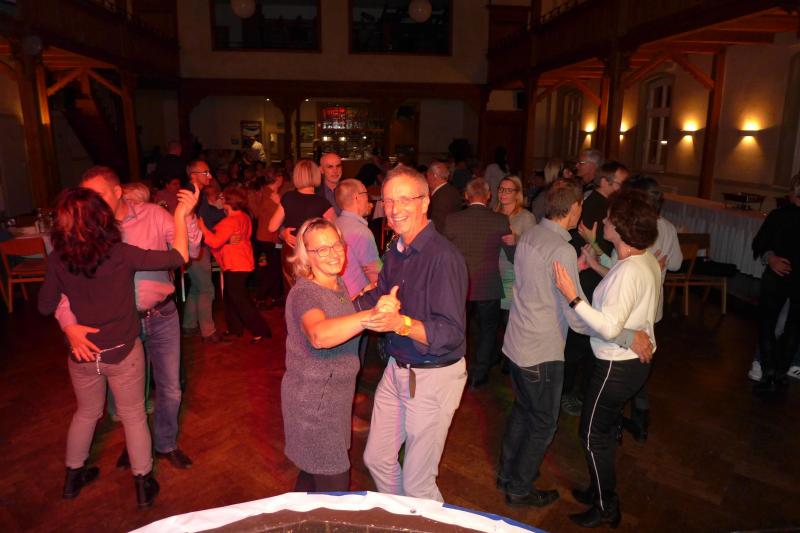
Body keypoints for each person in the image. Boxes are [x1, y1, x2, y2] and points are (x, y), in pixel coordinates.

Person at [39, 185, 196, 507]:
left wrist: (70, 327)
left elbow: (44, 305)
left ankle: (72, 478)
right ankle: (143, 484)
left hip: (82, 354)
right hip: (122, 352)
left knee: (86, 413)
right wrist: (181, 214)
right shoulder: (120, 253)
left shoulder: (57, 259)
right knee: (134, 415)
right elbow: (178, 257)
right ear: (101, 218)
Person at [498, 180, 652, 509]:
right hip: (541, 350)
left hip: (517, 342)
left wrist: (581, 267)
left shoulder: (532, 235)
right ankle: (520, 488)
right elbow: (577, 316)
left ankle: (507, 473)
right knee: (543, 423)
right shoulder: (562, 249)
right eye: (581, 205)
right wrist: (627, 336)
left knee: (523, 411)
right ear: (573, 208)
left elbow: (538, 283)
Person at [354, 166, 468, 502]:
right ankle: (404, 516)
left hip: (433, 376)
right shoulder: (396, 250)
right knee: (377, 459)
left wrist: (399, 324)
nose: (394, 209)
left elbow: (450, 334)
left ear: (425, 202)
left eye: (405, 199)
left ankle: (423, 519)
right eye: (389, 201)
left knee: (419, 484)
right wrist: (338, 305)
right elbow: (380, 295)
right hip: (397, 368)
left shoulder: (444, 257)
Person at [553, 189, 661, 528]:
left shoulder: (629, 271)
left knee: (591, 435)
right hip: (628, 365)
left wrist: (573, 297)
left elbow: (609, 326)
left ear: (621, 227)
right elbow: (622, 284)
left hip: (616, 365)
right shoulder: (641, 260)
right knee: (603, 429)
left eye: (610, 219)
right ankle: (598, 490)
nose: (604, 221)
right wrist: (598, 264)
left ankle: (605, 507)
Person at [282, 218, 399, 492]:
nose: (333, 253)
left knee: (312, 478)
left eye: (336, 245)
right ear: (306, 256)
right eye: (322, 249)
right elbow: (319, 334)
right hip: (315, 405)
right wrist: (370, 316)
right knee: (335, 487)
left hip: (333, 400)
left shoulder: (337, 284)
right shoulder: (305, 293)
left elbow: (339, 314)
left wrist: (366, 298)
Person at [580, 175, 682, 441]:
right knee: (639, 357)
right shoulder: (665, 230)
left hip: (628, 315)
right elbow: (675, 263)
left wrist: (572, 296)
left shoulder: (631, 239)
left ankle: (613, 425)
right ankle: (638, 418)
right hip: (649, 308)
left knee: (628, 360)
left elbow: (619, 276)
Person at [562, 160, 629, 417]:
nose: (622, 189)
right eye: (620, 184)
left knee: (579, 341)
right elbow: (595, 252)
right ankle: (570, 393)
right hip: (591, 281)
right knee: (580, 342)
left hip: (591, 278)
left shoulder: (595, 203)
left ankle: (572, 391)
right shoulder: (598, 209)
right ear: (604, 182)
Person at [445, 178, 510, 388]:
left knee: (457, 328)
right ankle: (479, 374)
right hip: (487, 284)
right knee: (488, 331)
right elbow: (510, 254)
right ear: (488, 195)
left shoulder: (452, 220)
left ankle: (454, 369)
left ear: (466, 196)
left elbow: (444, 254)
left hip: (459, 285)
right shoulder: (500, 220)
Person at [199, 186, 272, 343]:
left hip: (236, 264)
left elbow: (214, 241)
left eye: (222, 198)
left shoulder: (230, 221)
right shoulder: (244, 217)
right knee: (230, 298)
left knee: (240, 300)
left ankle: (261, 331)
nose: (220, 200)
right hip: (243, 261)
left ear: (228, 202)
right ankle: (235, 329)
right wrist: (226, 241)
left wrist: (202, 228)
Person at [752, 173, 800, 393]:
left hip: (777, 277)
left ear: (792, 193)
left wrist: (770, 258)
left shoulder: (778, 215)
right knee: (793, 328)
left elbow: (759, 243)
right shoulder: (778, 215)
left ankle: (768, 369)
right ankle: (780, 373)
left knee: (767, 324)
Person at [268, 159, 336, 290]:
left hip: (291, 250)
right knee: (312, 289)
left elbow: (272, 227)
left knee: (292, 289)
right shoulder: (322, 202)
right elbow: (335, 231)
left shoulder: (287, 197)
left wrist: (283, 233)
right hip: (312, 252)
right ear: (316, 175)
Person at [182, 160, 228, 343]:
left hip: (192, 246)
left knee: (197, 287)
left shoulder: (195, 192)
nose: (210, 176)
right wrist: (225, 210)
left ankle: (189, 325)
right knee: (207, 289)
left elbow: (206, 216)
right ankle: (208, 332)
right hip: (196, 247)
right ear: (193, 175)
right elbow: (205, 219)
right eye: (205, 173)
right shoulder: (192, 193)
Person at [493, 176, 536, 330]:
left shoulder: (526, 217)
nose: (503, 193)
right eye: (501, 189)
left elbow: (533, 247)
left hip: (513, 276)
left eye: (508, 190)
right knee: (492, 326)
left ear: (517, 194)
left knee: (509, 325)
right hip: (493, 276)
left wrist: (517, 239)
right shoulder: (493, 214)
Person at [334, 179, 381, 299]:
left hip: (340, 297)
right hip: (359, 299)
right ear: (357, 197)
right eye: (366, 194)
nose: (368, 198)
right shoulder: (361, 232)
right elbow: (376, 277)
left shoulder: (335, 224)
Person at [252, 174, 285, 308]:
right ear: (277, 179)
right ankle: (265, 297)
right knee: (271, 268)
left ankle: (271, 296)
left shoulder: (264, 192)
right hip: (269, 239)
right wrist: (280, 203)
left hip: (267, 239)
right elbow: (281, 217)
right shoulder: (270, 196)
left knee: (271, 267)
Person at [426, 161, 462, 234]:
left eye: (427, 176)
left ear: (433, 176)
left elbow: (438, 226)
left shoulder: (441, 197)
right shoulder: (452, 190)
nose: (426, 179)